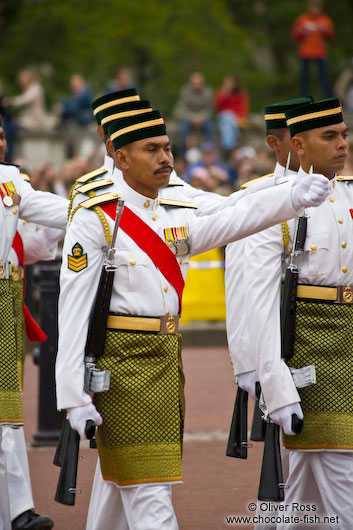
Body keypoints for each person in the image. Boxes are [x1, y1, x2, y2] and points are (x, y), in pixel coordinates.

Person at [55, 100, 329, 529]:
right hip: (121, 369)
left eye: (167, 147)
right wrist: (73, 397)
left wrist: (291, 195)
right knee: (149, 494)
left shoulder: (174, 214)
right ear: (120, 156)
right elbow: (72, 314)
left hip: (165, 363)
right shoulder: (97, 219)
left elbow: (235, 216)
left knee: (123, 487)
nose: (166, 158)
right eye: (152, 149)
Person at [244, 98, 353, 528]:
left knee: (303, 492)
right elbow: (258, 306)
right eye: (329, 137)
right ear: (299, 146)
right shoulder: (274, 205)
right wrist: (275, 385)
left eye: (343, 134)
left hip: (348, 350)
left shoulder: (347, 195)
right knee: (341, 478)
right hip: (308, 358)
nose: (342, 144)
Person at [0, 114, 69, 529]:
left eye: (3, 135)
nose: (1, 143)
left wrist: (84, 210)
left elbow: (32, 244)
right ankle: (18, 509)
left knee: (7, 411)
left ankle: (16, 511)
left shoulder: (10, 181)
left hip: (7, 303)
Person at [225, 97, 313, 399]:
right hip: (277, 334)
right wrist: (246, 360)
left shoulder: (338, 190)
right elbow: (238, 284)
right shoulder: (255, 195)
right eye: (296, 133)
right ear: (274, 142)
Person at [291, 0, 334, 98]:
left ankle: (327, 98)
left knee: (324, 77)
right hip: (305, 53)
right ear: (308, 7)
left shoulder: (324, 20)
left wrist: (325, 30)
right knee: (304, 78)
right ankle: (304, 99)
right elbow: (295, 35)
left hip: (320, 53)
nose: (314, 9)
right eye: (312, 7)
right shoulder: (302, 19)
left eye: (317, 7)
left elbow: (331, 36)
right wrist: (302, 31)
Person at [174, 71, 213, 153]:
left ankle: (208, 151)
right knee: (183, 129)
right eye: (194, 83)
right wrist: (192, 118)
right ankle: (183, 153)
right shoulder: (185, 91)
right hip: (188, 118)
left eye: (198, 83)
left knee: (209, 127)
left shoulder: (208, 92)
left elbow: (210, 109)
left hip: (203, 119)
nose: (196, 85)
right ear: (190, 83)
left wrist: (200, 118)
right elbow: (180, 109)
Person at [214, 74, 249, 157]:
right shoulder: (221, 93)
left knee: (230, 121)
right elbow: (217, 106)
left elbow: (243, 108)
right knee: (228, 117)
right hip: (224, 117)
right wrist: (225, 94)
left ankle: (227, 146)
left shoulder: (241, 94)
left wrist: (239, 118)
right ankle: (230, 146)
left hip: (237, 119)